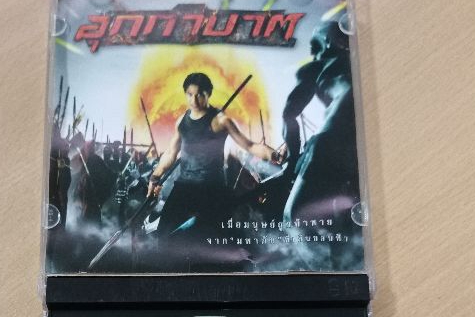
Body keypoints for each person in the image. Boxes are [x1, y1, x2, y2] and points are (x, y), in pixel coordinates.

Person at [147, 72, 282, 238]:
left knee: (208, 237)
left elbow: (249, 146)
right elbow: (170, 153)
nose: (194, 100)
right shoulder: (182, 121)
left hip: (211, 189)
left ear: (208, 94)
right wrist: (154, 177)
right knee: (163, 236)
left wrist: (272, 154)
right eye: (190, 95)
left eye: (199, 95)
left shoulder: (220, 121)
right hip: (184, 187)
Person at [279, 18, 363, 270]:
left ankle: (324, 274)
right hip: (355, 146)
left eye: (314, 46)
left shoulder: (317, 67)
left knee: (293, 219)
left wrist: (292, 160)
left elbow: (289, 115)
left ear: (326, 43)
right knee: (344, 221)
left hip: (331, 139)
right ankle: (342, 269)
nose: (313, 53)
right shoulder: (359, 64)